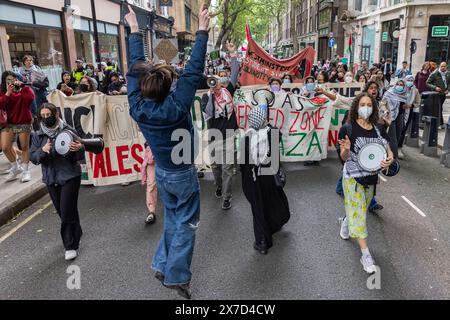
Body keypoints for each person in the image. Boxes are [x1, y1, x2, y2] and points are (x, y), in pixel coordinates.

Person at [125, 4, 210, 300]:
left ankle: (162, 264)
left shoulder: (138, 107)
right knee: (186, 224)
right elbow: (195, 68)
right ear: (169, 86)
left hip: (162, 173)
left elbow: (135, 70)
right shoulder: (176, 106)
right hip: (183, 175)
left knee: (174, 219)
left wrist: (134, 32)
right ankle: (176, 275)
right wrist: (202, 31)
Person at [338, 93, 394, 274]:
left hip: (371, 179)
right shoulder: (348, 129)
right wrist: (345, 150)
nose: (366, 107)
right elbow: (343, 158)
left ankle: (347, 221)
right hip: (352, 178)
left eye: (369, 104)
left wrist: (390, 159)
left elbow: (388, 150)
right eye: (362, 104)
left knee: (358, 211)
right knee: (360, 218)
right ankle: (366, 255)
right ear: (356, 106)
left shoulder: (378, 128)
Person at [30, 103, 84, 261]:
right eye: (43, 115)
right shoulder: (37, 135)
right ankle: (77, 231)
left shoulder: (68, 130)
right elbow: (33, 157)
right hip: (51, 179)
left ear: (56, 114)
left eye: (49, 114)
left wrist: (78, 148)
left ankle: (70, 246)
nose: (46, 118)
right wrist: (42, 151)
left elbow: (80, 154)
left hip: (70, 176)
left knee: (67, 210)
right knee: (64, 212)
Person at [240, 105, 290, 255]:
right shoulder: (272, 132)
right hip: (268, 176)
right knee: (271, 201)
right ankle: (275, 223)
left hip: (253, 178)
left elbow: (243, 164)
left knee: (258, 207)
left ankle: (262, 241)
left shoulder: (247, 136)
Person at [202, 72, 238, 210]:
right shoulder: (206, 97)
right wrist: (211, 94)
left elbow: (234, 76)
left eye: (216, 81)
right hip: (214, 136)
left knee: (227, 169)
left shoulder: (228, 92)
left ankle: (226, 197)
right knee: (216, 167)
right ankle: (218, 185)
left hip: (228, 135)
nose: (214, 84)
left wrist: (234, 55)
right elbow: (209, 111)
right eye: (212, 82)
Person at [0, 71, 35, 182]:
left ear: (16, 79)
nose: (10, 82)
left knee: (24, 147)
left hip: (23, 121)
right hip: (9, 123)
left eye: (12, 79)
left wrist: (23, 87)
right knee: (5, 147)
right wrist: (8, 93)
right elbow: (1, 105)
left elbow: (30, 99)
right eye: (7, 80)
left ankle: (25, 171)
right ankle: (15, 168)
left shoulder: (24, 89)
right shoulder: (3, 92)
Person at [382, 79, 409, 159]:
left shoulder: (405, 95)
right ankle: (393, 158)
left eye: (401, 85)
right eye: (398, 84)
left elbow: (406, 107)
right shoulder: (389, 93)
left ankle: (390, 153)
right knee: (392, 137)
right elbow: (383, 103)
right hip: (391, 117)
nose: (399, 86)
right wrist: (386, 112)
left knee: (397, 136)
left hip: (400, 116)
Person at [397, 75, 420, 159]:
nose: (410, 81)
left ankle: (399, 148)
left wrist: (411, 105)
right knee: (395, 130)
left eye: (411, 80)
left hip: (408, 112)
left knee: (403, 130)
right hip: (398, 111)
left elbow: (418, 102)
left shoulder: (415, 91)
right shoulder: (400, 87)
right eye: (408, 80)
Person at [426, 62, 450, 128]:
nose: (443, 67)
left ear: (446, 67)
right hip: (436, 94)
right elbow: (427, 83)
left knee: (440, 108)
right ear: (439, 66)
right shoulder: (434, 73)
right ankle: (438, 123)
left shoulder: (448, 73)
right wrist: (435, 87)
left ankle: (440, 123)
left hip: (443, 94)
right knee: (438, 108)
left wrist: (448, 89)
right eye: (442, 66)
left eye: (444, 66)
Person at [141, 142, 158, 224]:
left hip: (166, 153)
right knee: (151, 185)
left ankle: (178, 207)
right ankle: (151, 212)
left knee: (172, 181)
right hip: (152, 157)